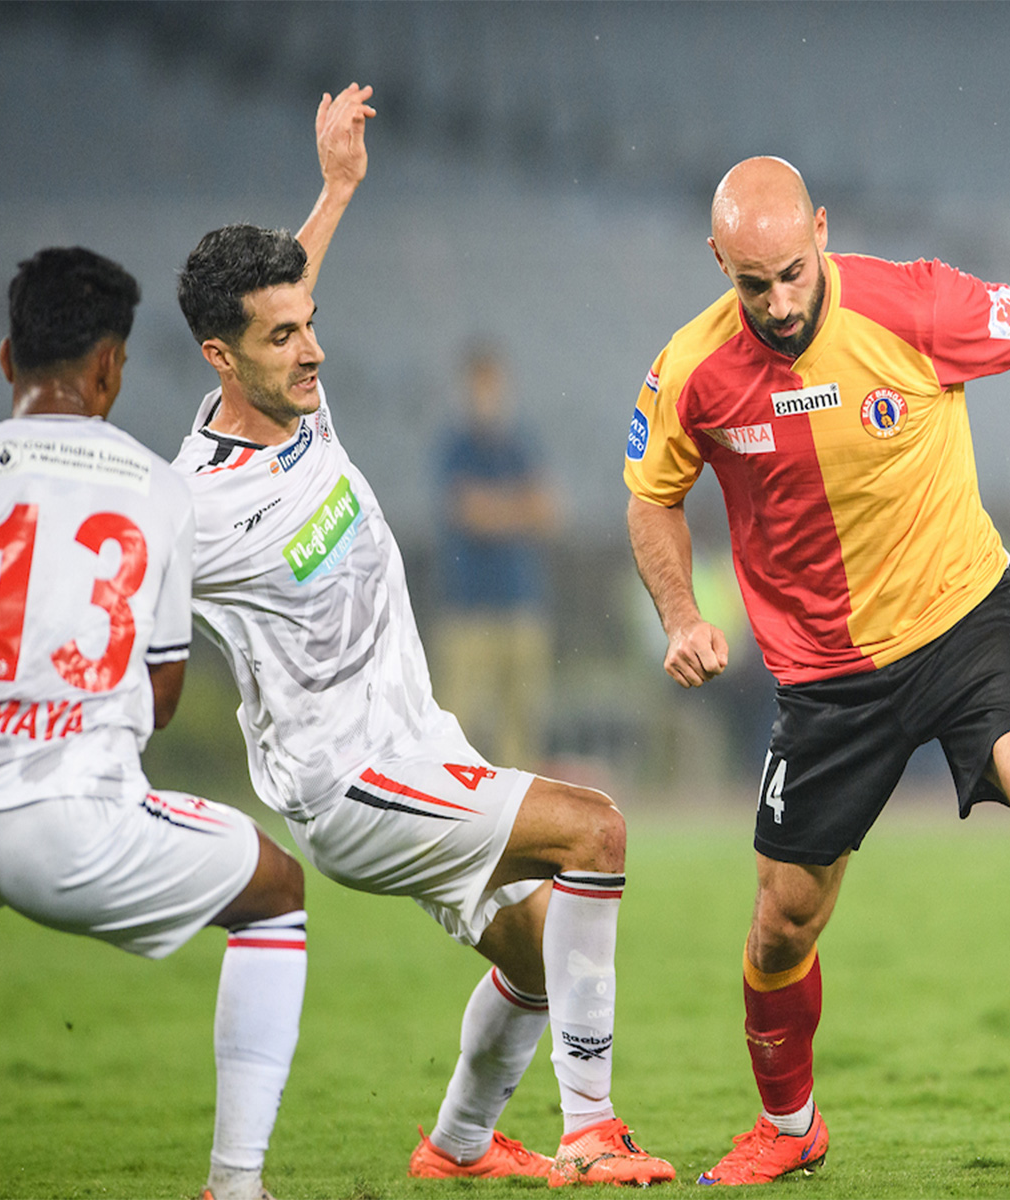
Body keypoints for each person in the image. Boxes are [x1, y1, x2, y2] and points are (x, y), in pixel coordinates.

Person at [624, 156, 1010, 1185]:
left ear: (821, 231)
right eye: (751, 283)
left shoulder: (911, 304)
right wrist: (681, 615)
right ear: (716, 262)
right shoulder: (691, 369)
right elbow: (652, 496)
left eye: (790, 272)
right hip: (825, 679)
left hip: (967, 622)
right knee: (782, 924)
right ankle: (789, 1127)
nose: (777, 303)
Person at [170, 84, 672, 1188]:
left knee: (543, 955)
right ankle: (589, 1131)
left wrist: (338, 188)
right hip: (349, 782)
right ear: (220, 356)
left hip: (420, 740)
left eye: (310, 328)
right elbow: (107, 589)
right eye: (282, 338)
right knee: (595, 832)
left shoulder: (291, 394)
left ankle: (456, 1146)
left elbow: (288, 290)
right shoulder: (192, 509)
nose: (311, 353)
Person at [0, 248, 306, 1200]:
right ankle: (236, 1185)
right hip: (73, 820)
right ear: (111, 369)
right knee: (274, 891)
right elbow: (162, 695)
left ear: (9, 357)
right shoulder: (155, 488)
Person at [432, 342, 558, 769]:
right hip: (469, 609)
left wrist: (498, 510)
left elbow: (550, 510)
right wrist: (518, 508)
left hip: (520, 604)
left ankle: (518, 825)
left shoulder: (521, 443)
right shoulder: (457, 445)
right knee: (460, 722)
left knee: (521, 726)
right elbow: (470, 513)